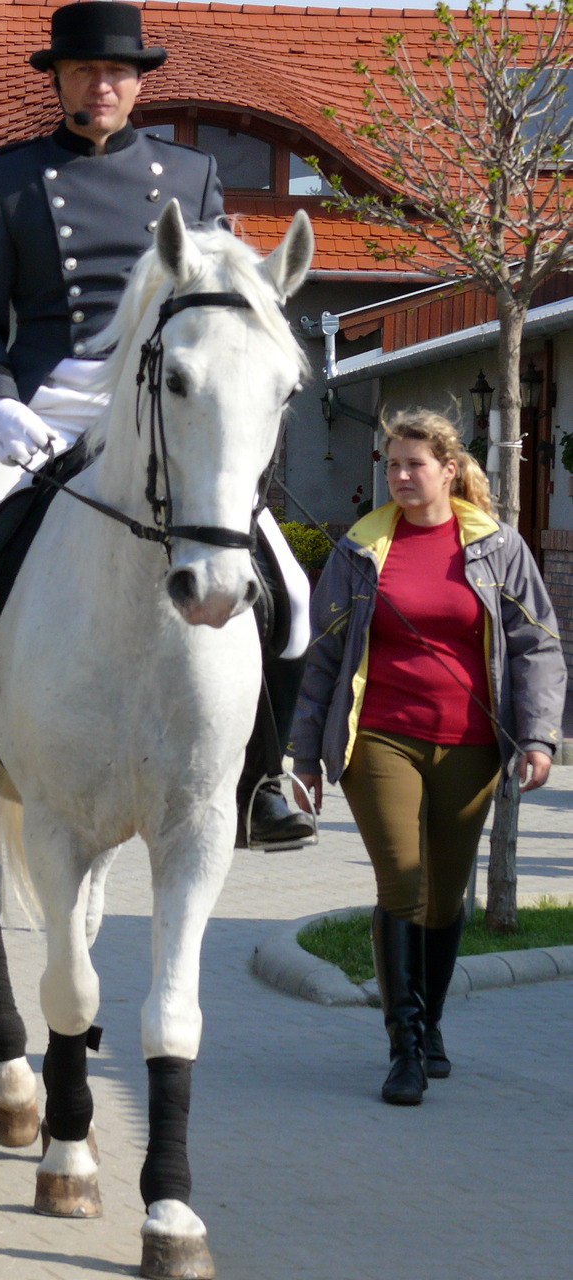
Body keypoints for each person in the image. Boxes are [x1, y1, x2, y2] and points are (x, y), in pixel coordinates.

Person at [0, 1, 314, 853]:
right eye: (85, 71)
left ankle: (264, 779)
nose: (102, 85)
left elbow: (213, 313)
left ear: (138, 84)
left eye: (118, 72)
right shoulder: (10, 179)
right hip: (45, 410)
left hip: (160, 408)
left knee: (294, 592)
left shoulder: (192, 176)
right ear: (58, 80)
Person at [290, 409, 567, 1105]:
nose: (401, 476)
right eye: (392, 464)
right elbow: (323, 658)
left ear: (449, 469)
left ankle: (432, 1023)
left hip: (471, 745)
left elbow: (536, 644)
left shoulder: (497, 547)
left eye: (414, 464)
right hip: (379, 736)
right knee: (403, 884)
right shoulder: (361, 549)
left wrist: (538, 736)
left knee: (444, 897)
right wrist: (304, 755)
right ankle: (405, 1048)